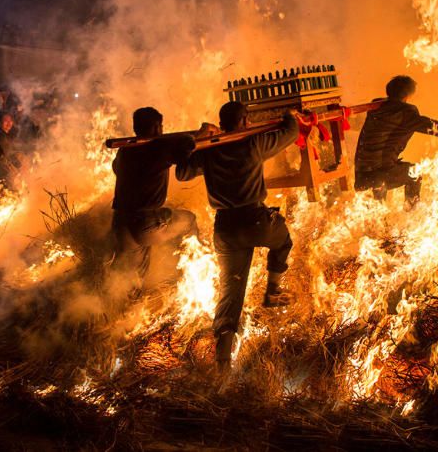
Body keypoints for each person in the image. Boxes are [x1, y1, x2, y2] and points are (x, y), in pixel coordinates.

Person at [176, 102, 300, 371]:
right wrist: (290, 116)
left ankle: (222, 362)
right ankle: (273, 291)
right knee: (284, 241)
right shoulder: (253, 144)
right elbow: (290, 134)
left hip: (226, 229)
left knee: (230, 295)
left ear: (221, 123)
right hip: (255, 220)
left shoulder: (210, 149)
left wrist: (197, 140)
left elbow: (182, 172)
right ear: (244, 121)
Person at [111, 107, 216, 279]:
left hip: (121, 223)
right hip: (146, 224)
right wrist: (202, 133)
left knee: (135, 277)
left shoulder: (124, 151)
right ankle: (197, 268)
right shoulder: (155, 148)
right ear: (156, 128)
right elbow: (187, 147)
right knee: (189, 220)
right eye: (160, 126)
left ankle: (132, 301)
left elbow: (116, 168)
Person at [354, 75, 438, 204]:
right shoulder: (405, 113)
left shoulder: (376, 108)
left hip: (361, 175)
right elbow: (435, 127)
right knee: (415, 173)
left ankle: (380, 215)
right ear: (407, 96)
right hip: (379, 174)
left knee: (384, 173)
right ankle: (411, 213)